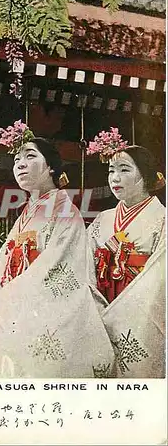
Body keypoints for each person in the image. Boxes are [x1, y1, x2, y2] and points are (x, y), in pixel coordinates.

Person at [0, 121, 115, 378]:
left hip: (45, 310)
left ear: (51, 167)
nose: (20, 164)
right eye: (17, 159)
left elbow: (59, 267)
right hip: (17, 305)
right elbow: (4, 262)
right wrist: (1, 294)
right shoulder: (27, 212)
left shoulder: (65, 210)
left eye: (30, 156)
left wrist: (9, 295)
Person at [87, 142, 166, 378]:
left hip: (142, 312)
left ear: (145, 175)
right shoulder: (103, 218)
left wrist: (124, 311)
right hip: (101, 306)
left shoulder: (162, 220)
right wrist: (97, 306)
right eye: (111, 170)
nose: (115, 178)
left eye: (124, 169)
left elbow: (160, 276)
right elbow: (86, 266)